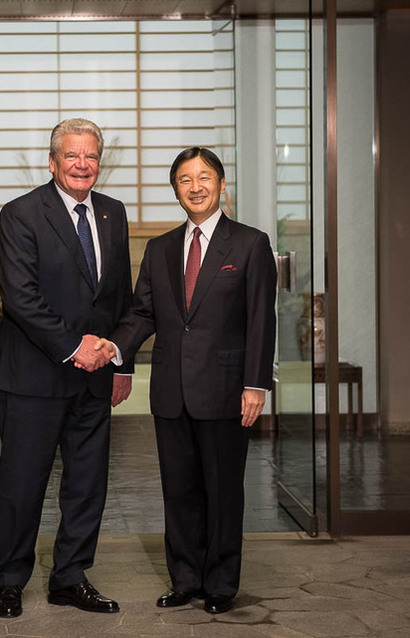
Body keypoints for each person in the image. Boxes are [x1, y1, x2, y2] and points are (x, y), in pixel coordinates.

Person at [101, 147, 277, 614]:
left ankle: (220, 583)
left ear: (222, 185)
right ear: (175, 189)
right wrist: (114, 349)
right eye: (184, 179)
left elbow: (262, 319)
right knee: (178, 491)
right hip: (171, 393)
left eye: (204, 177)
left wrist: (256, 383)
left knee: (222, 492)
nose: (195, 186)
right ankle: (184, 579)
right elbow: (141, 313)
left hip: (226, 390)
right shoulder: (160, 249)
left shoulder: (250, 243)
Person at [0, 118, 134, 618]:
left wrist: (119, 360)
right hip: (34, 376)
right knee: (22, 484)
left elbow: (120, 297)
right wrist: (75, 347)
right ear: (52, 162)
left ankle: (70, 577)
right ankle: (9, 580)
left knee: (87, 484)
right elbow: (21, 299)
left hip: (95, 376)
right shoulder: (22, 213)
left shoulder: (113, 213)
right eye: (71, 156)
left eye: (90, 156)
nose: (82, 164)